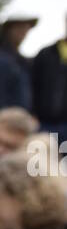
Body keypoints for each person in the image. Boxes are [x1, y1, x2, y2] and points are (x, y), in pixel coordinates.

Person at [0, 9, 37, 124]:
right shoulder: (1, 61)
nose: (24, 31)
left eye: (26, 27)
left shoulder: (20, 61)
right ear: (8, 30)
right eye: (19, 27)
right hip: (5, 128)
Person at [32, 12, 67, 146]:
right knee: (41, 165)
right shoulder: (46, 54)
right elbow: (33, 85)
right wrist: (33, 114)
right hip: (44, 125)